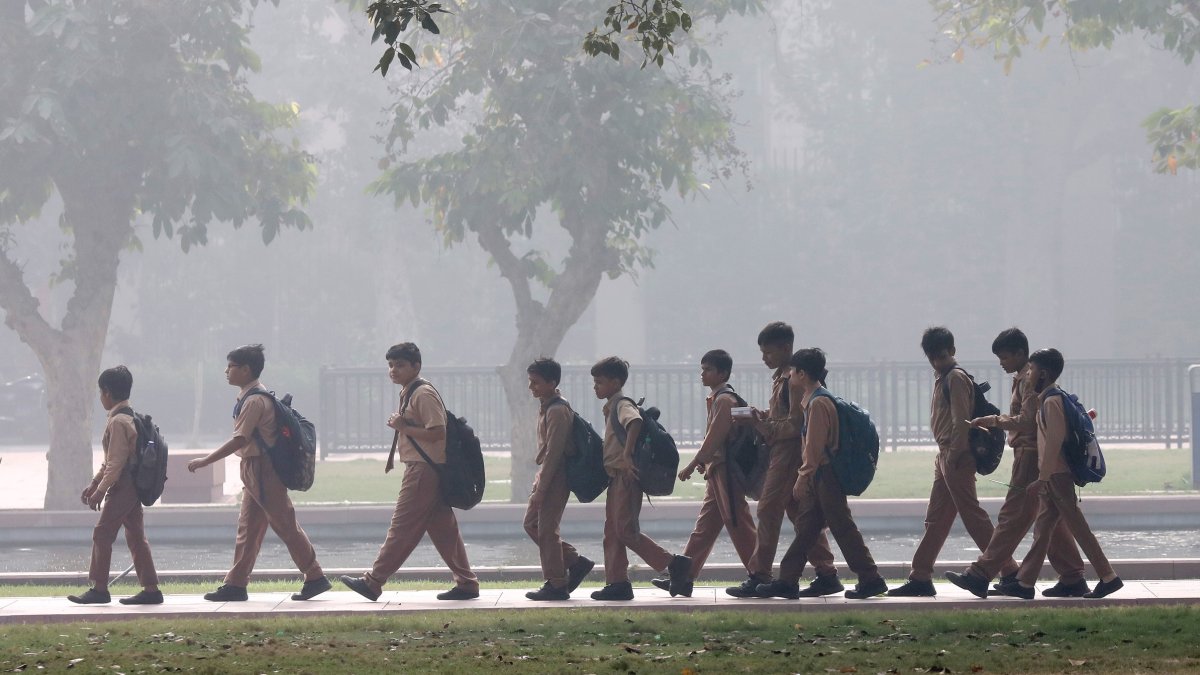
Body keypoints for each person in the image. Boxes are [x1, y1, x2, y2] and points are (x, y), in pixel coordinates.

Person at [944, 328, 1088, 598]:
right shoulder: (1024, 379)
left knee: (1013, 516)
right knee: (1050, 518)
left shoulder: (1028, 380)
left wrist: (993, 421)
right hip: (1032, 453)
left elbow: (1027, 421)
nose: (1001, 363)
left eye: (1005, 357)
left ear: (1021, 354)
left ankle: (980, 574)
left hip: (1030, 455)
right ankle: (1072, 576)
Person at [188, 344, 329, 602]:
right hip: (255, 470)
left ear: (245, 370)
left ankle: (315, 575)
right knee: (249, 528)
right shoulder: (252, 396)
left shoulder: (254, 401)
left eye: (231, 366)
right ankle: (236, 584)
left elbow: (240, 440)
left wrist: (206, 460)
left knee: (285, 524)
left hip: (263, 470)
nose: (226, 371)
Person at [341, 342, 479, 602]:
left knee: (402, 526)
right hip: (425, 467)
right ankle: (467, 583)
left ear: (416, 366)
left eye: (400, 365)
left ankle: (373, 582)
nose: (393, 370)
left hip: (424, 470)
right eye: (391, 365)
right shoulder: (410, 391)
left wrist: (403, 427)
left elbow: (438, 432)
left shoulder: (422, 393)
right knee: (444, 530)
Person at [757, 349, 888, 600]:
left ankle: (870, 578)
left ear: (802, 374)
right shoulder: (815, 400)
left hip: (825, 476)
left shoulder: (818, 404)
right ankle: (787, 581)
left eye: (792, 371)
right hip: (822, 475)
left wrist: (803, 477)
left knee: (842, 527)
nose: (789, 375)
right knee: (807, 529)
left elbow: (814, 449)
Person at [728, 322, 841, 599]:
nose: (764, 358)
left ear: (786, 347)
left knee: (768, 509)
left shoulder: (793, 379)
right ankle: (827, 573)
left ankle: (759, 575)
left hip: (789, 453)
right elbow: (785, 416)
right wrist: (764, 416)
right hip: (783, 451)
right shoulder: (783, 378)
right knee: (799, 513)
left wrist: (761, 425)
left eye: (768, 352)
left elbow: (795, 425)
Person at [890, 327, 998, 597]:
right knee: (936, 518)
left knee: (972, 515)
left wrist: (955, 453)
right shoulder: (944, 378)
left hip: (956, 455)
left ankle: (1008, 570)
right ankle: (920, 576)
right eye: (932, 358)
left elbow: (961, 421)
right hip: (946, 455)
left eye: (941, 356)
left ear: (952, 351)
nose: (937, 362)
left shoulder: (956, 378)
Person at [1007, 348, 1123, 600]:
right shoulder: (1048, 399)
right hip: (1053, 476)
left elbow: (1054, 443)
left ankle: (1109, 577)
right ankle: (1025, 583)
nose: (1028, 375)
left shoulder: (1052, 402)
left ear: (1043, 374)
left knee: (1078, 528)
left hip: (1057, 476)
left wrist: (1042, 478)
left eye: (1032, 370)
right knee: (1043, 530)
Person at [651, 350, 757, 597]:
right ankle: (683, 576)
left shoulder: (724, 400)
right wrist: (705, 462)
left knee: (738, 523)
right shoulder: (718, 398)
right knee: (705, 527)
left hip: (726, 471)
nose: (702, 374)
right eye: (702, 369)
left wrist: (692, 464)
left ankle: (759, 574)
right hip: (717, 469)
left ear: (722, 373)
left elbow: (714, 439)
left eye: (708, 370)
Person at [590, 356, 691, 601]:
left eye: (600, 382)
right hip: (616, 477)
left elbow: (634, 421)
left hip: (626, 475)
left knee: (625, 530)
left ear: (616, 383)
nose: (595, 387)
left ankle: (673, 563)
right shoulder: (612, 406)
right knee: (612, 531)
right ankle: (617, 583)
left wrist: (626, 455)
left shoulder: (621, 404)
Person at [68, 366, 162, 605]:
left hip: (125, 485)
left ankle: (100, 589)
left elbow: (116, 463)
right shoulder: (129, 416)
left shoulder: (118, 421)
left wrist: (99, 491)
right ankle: (151, 590)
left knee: (102, 533)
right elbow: (112, 460)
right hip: (132, 483)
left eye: (101, 392)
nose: (100, 397)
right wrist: (94, 483)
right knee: (136, 536)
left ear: (107, 392)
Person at [523, 357, 595, 601]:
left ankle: (556, 583)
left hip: (557, 475)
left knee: (546, 529)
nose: (531, 387)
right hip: (548, 473)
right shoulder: (547, 406)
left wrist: (541, 489)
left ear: (552, 383)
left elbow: (555, 453)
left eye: (536, 382)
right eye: (530, 382)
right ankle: (574, 561)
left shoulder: (557, 410)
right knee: (533, 524)